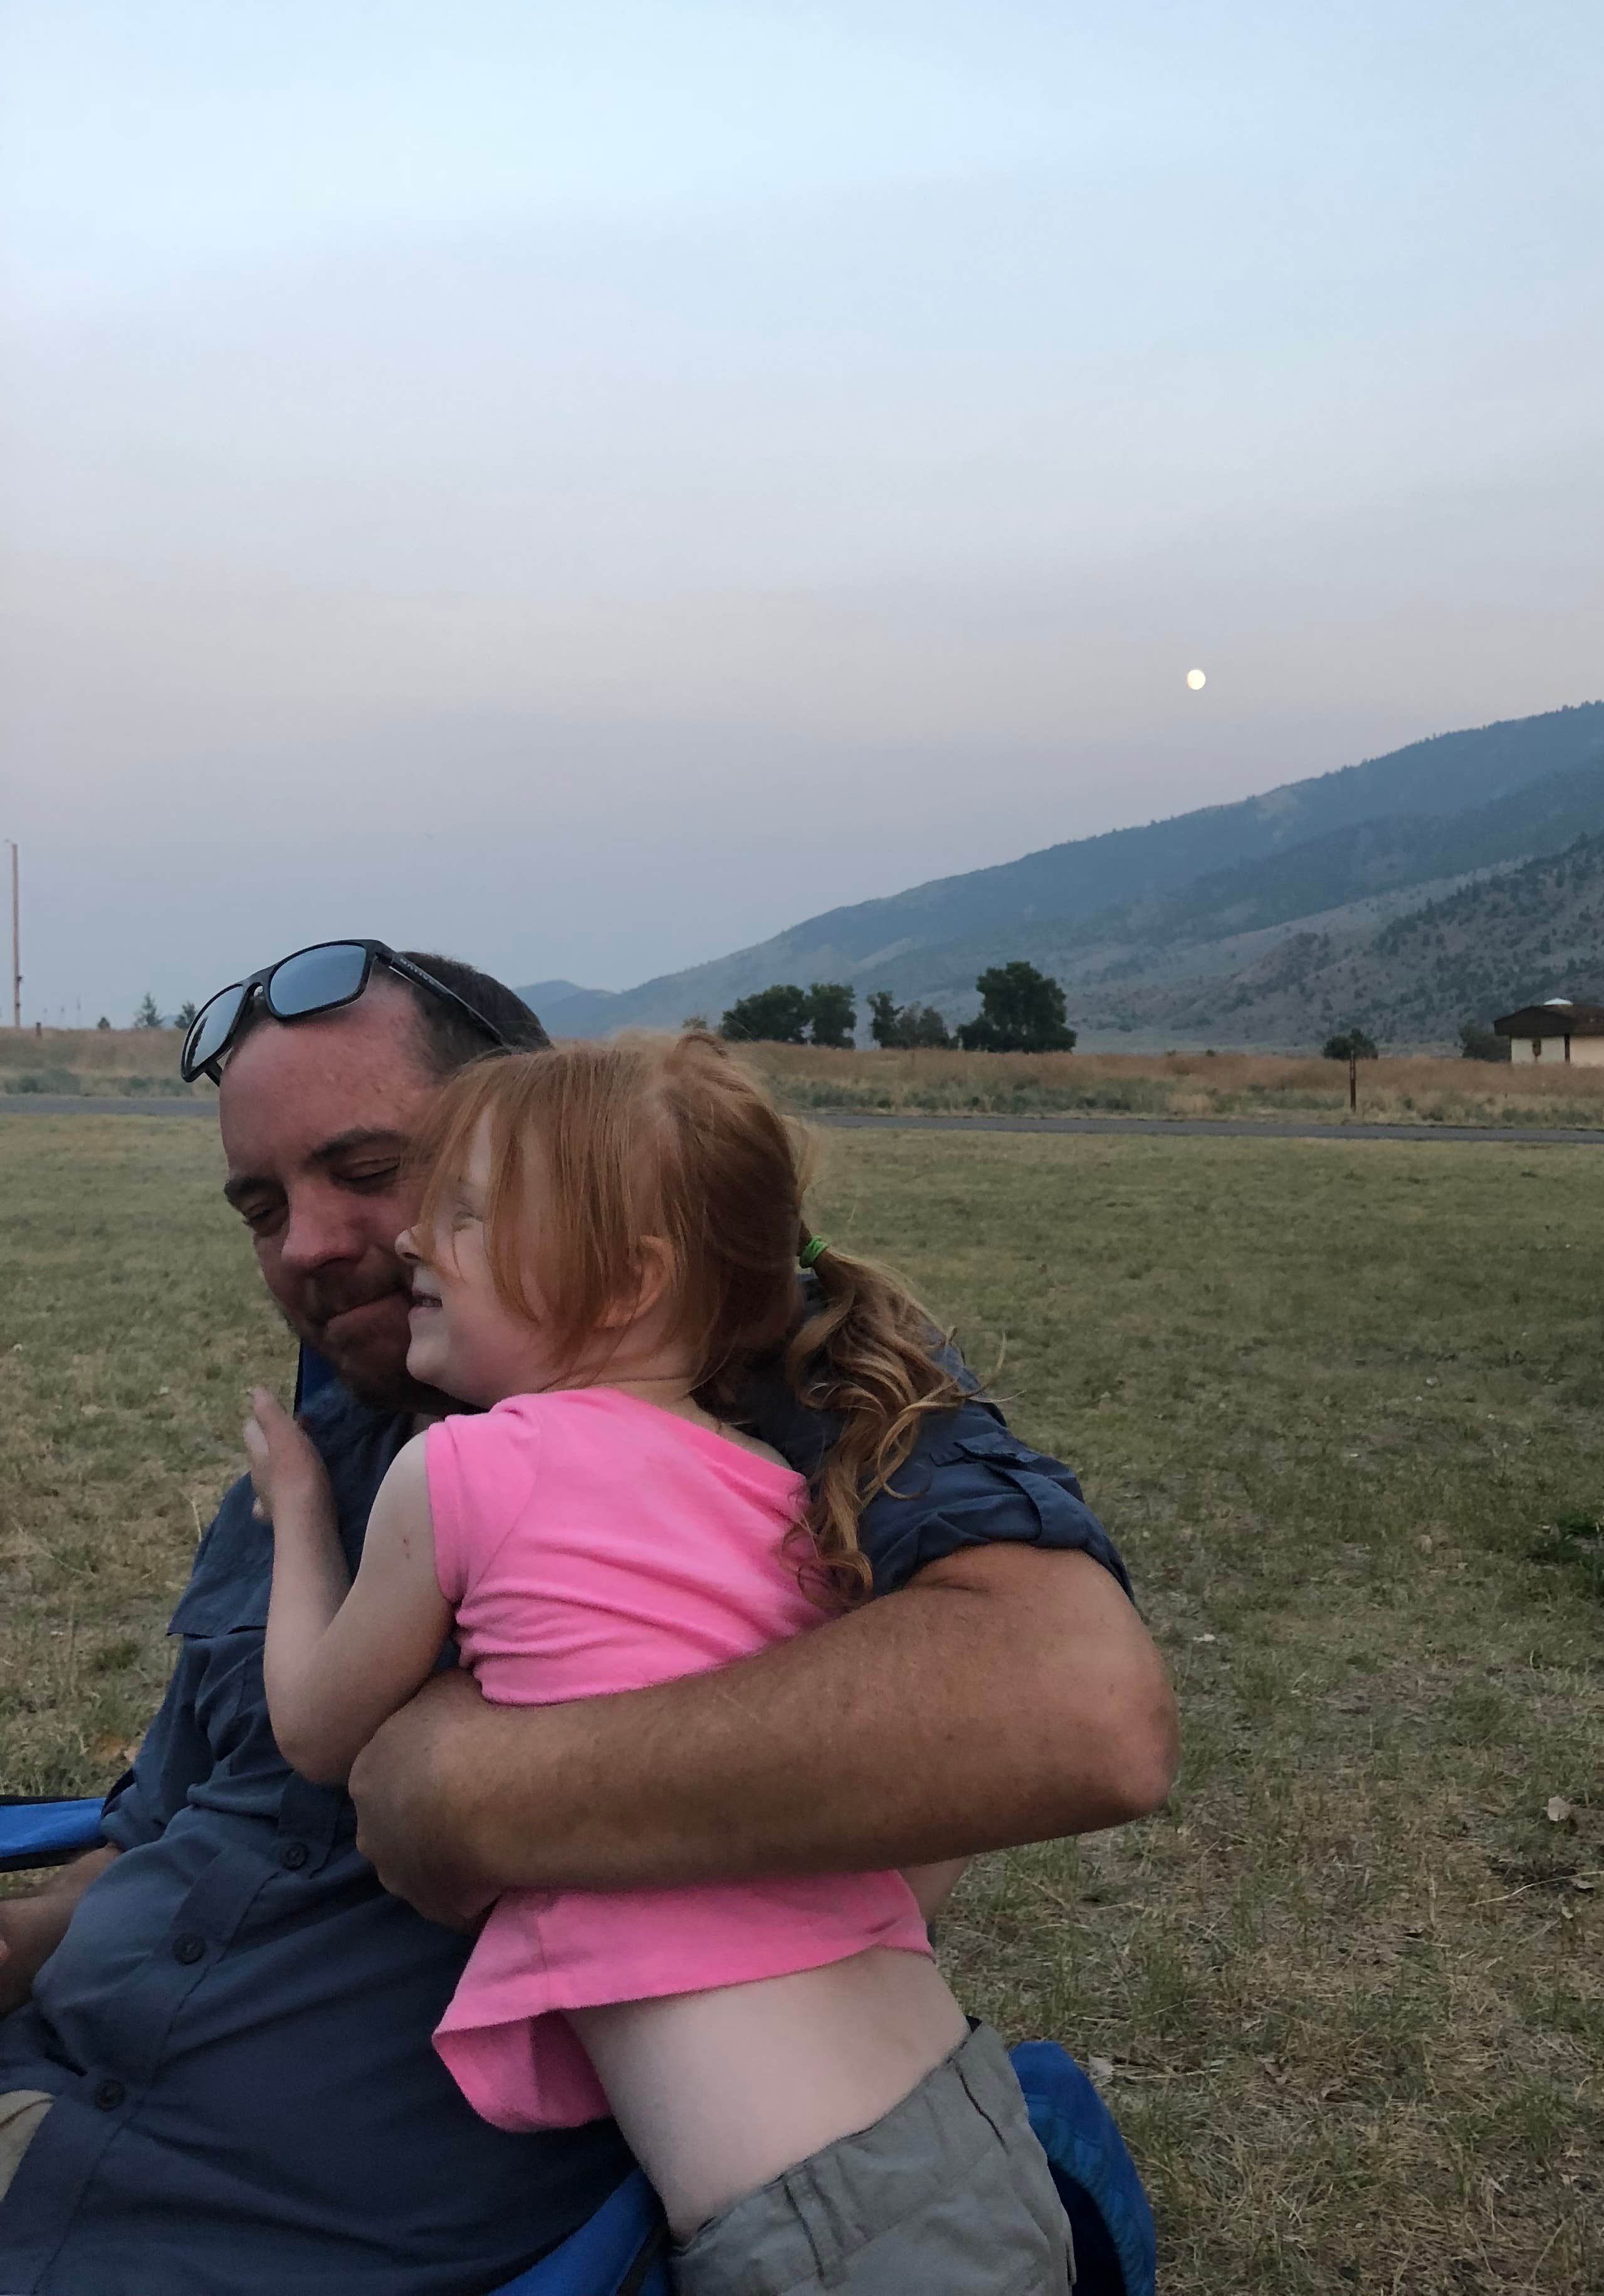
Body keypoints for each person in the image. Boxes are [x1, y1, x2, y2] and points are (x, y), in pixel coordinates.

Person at [0, 944, 1175, 2296]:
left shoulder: (752, 1392)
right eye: (262, 1206)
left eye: (376, 1174)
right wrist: (30, 1933)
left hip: (270, 2228)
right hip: (51, 2095)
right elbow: (178, 1820)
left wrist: (475, 1784)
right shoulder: (313, 1450)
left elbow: (1077, 1706)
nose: (314, 1245)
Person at [249, 1034, 1076, 2293]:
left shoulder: (467, 1469)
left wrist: (301, 1510)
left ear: (627, 1282)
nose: (416, 1243)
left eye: (464, 1215)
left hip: (816, 2227)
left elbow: (314, 1730)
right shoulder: (792, 1496)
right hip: (964, 2122)